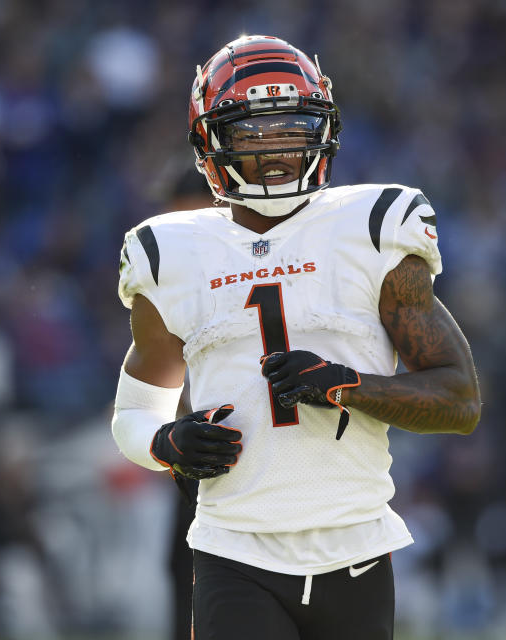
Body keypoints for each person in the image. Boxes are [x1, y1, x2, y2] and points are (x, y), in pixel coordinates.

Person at [111, 35, 481, 640]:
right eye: (254, 132)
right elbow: (133, 410)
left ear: (323, 128)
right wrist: (165, 441)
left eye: (293, 127)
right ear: (213, 140)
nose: (278, 149)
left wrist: (345, 386)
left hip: (355, 544)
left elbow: (460, 402)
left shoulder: (373, 227)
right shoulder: (169, 252)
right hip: (234, 548)